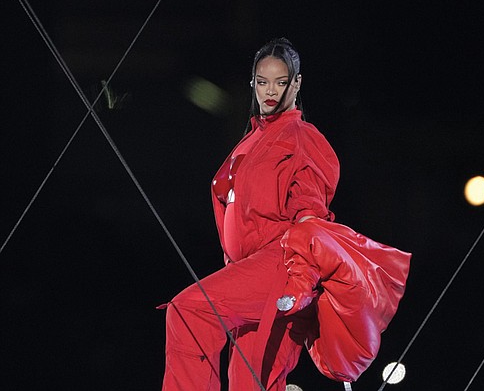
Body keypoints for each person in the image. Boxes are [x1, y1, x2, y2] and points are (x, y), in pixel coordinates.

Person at [161, 38, 411, 391]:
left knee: (189, 312)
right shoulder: (249, 141)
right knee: (249, 384)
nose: (271, 92)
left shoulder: (302, 137)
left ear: (296, 84)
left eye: (281, 82)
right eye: (262, 82)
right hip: (249, 270)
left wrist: (299, 284)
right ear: (253, 83)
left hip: (281, 265)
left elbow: (311, 220)